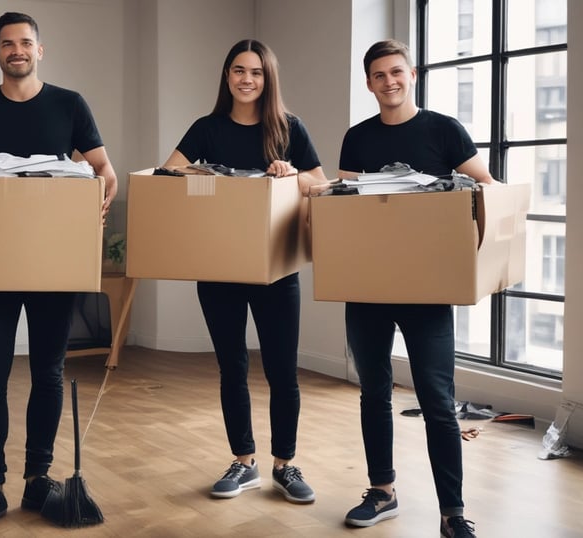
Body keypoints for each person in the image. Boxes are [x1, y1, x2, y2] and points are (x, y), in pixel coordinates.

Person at [0, 12, 117, 532]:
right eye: (7, 44)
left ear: (40, 50)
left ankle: (38, 480)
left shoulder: (69, 105)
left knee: (48, 372)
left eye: (25, 42)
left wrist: (99, 194)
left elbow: (104, 170)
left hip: (51, 263)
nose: (17, 50)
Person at [335, 39, 493, 538]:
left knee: (438, 401)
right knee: (373, 393)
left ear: (413, 74)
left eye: (396, 72)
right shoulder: (357, 138)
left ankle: (452, 514)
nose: (389, 82)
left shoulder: (444, 130)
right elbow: (340, 207)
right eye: (379, 75)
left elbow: (486, 188)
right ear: (369, 83)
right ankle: (382, 492)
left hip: (427, 289)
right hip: (367, 285)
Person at [162, 38, 328, 504]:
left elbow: (320, 183)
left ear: (267, 78)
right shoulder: (207, 128)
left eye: (255, 72)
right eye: (238, 70)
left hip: (276, 268)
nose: (246, 79)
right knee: (231, 366)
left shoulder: (288, 128)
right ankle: (244, 461)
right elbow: (168, 174)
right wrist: (204, 176)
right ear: (227, 76)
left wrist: (291, 172)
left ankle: (286, 465)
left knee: (281, 370)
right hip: (218, 268)